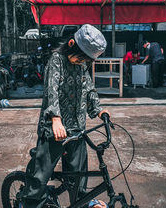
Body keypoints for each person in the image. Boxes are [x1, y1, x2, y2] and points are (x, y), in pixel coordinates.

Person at [21, 24, 109, 208]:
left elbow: (89, 88)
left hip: (77, 130)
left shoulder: (82, 65)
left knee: (78, 177)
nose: (82, 63)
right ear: (71, 44)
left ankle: (81, 203)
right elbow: (50, 91)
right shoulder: (56, 60)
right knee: (40, 178)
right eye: (81, 58)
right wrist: (55, 119)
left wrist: (99, 110)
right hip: (55, 130)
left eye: (86, 60)